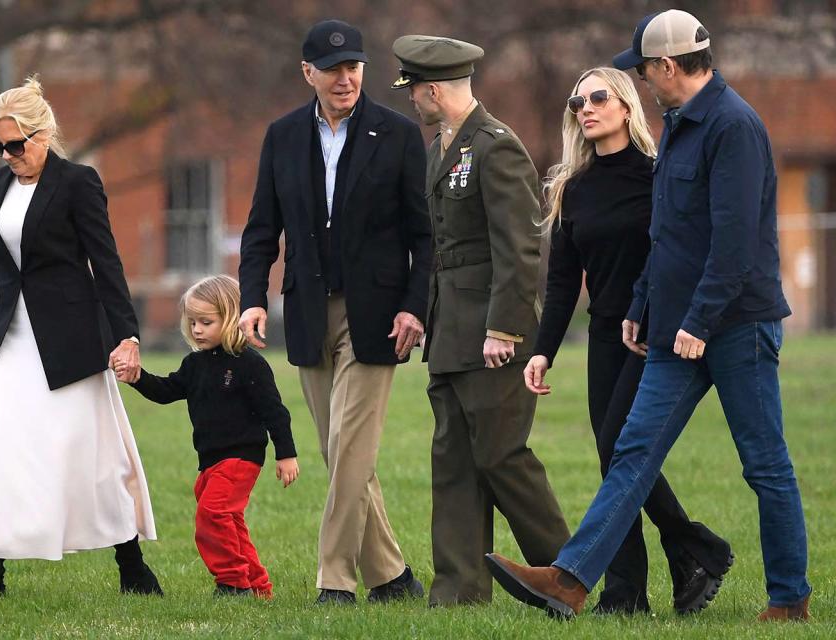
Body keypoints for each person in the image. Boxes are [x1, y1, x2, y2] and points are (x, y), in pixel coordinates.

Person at [484, 10, 812, 622]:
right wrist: (641, 307)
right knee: (630, 452)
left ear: (666, 66)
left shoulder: (733, 126)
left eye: (643, 71)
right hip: (670, 329)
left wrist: (700, 320)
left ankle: (789, 598)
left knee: (764, 464)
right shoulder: (679, 127)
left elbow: (735, 241)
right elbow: (666, 236)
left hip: (734, 325)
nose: (643, 82)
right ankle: (571, 579)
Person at [514, 66, 734, 614]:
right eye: (576, 101)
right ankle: (631, 589)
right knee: (614, 458)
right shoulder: (572, 187)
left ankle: (691, 549)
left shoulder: (658, 176)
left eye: (597, 98)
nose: (584, 108)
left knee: (621, 448)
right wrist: (542, 349)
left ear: (627, 105)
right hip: (605, 338)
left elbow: (676, 254)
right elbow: (564, 281)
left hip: (652, 336)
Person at [238, 19, 431, 605]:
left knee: (351, 448)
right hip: (306, 311)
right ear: (308, 74)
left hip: (377, 315)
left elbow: (425, 236)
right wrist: (251, 298)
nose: (345, 78)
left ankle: (335, 581)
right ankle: (393, 577)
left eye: (354, 67)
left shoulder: (397, 134)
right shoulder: (282, 136)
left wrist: (413, 307)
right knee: (338, 451)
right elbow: (261, 229)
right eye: (332, 69)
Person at [0, 75, 161, 595]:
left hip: (70, 340)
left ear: (43, 134)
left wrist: (127, 335)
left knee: (93, 455)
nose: (6, 155)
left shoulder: (79, 182)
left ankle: (132, 568)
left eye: (15, 144)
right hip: (11, 338)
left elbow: (107, 263)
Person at [391, 35, 570, 606]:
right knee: (454, 463)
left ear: (434, 89)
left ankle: (573, 573)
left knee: (501, 456)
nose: (411, 101)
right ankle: (459, 590)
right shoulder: (441, 147)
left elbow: (520, 248)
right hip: (450, 333)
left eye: (414, 91)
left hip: (493, 333)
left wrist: (506, 328)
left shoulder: (497, 148)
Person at [115, 275, 298, 599]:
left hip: (242, 458)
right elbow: (166, 391)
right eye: (192, 321)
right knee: (231, 522)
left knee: (213, 515)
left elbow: (275, 412)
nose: (197, 329)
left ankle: (233, 583)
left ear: (229, 318)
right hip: (210, 460)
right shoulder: (194, 364)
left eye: (206, 322)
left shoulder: (249, 365)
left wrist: (286, 454)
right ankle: (257, 585)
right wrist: (138, 378)